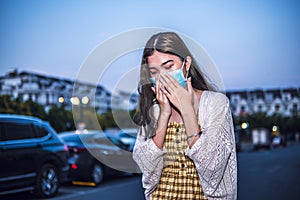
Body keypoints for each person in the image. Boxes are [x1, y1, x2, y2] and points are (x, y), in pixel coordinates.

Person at [132, 32, 237, 200]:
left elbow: (213, 169)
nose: (163, 77)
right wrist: (164, 115)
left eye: (168, 67)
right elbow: (145, 165)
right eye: (154, 71)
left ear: (186, 64)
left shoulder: (215, 103)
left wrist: (187, 110)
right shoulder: (153, 110)